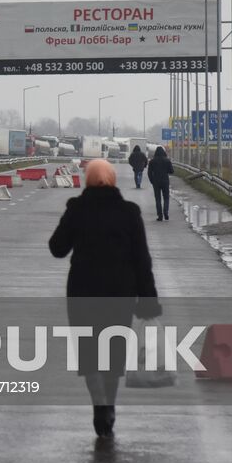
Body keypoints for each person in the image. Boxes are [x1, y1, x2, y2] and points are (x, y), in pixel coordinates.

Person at [48, 158, 160, 439]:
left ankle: (99, 405)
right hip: (120, 292)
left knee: (89, 353)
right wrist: (148, 299)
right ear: (112, 180)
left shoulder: (78, 209)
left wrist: (71, 220)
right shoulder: (129, 213)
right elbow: (141, 260)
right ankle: (108, 404)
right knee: (113, 352)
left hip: (83, 292)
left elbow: (57, 248)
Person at [147, 145, 174, 221]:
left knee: (158, 199)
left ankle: (160, 215)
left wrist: (152, 180)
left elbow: (149, 173)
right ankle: (166, 212)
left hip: (156, 181)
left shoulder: (152, 161)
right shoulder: (167, 160)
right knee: (166, 197)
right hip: (165, 181)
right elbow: (172, 171)